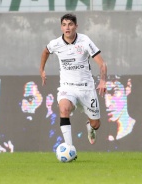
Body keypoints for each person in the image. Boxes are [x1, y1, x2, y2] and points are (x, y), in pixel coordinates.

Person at [39, 13, 107, 147]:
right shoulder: (56, 43)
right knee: (64, 109)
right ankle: (70, 148)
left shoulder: (85, 41)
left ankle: (90, 127)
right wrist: (42, 70)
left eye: (70, 24)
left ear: (76, 26)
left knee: (96, 124)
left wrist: (103, 80)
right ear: (61, 27)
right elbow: (46, 51)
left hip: (86, 88)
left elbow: (102, 64)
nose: (67, 28)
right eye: (64, 25)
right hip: (67, 87)